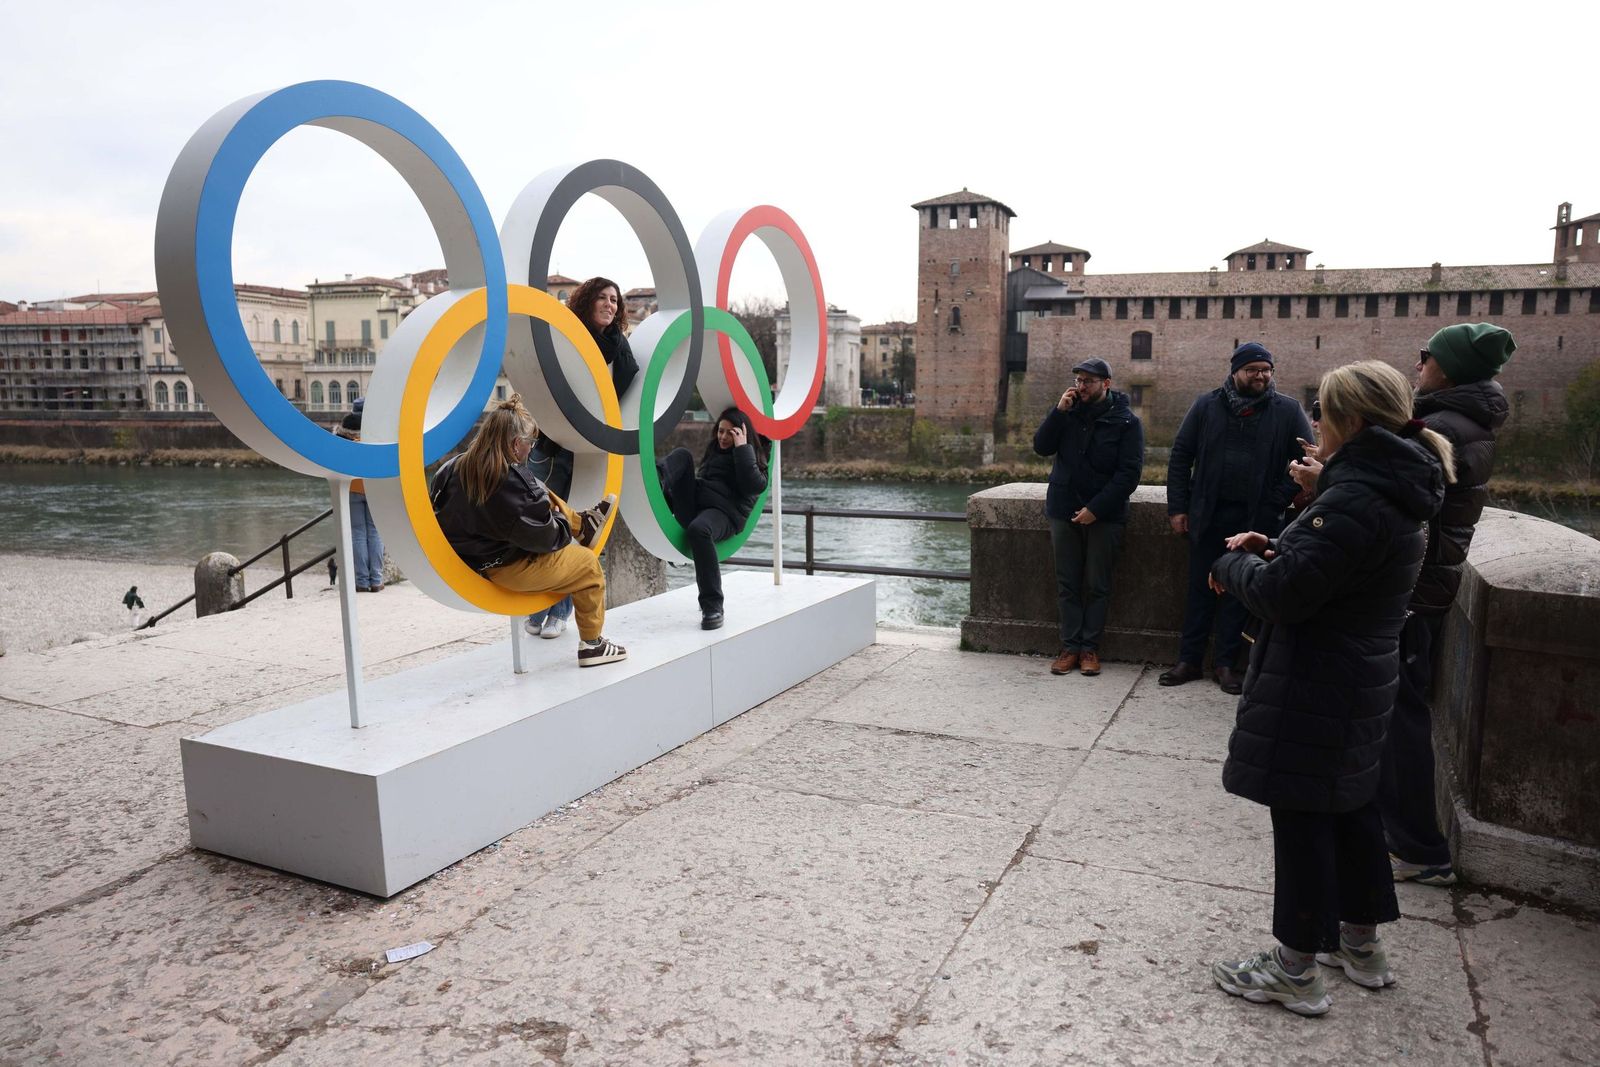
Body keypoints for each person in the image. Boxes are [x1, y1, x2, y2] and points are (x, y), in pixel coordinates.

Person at [1207, 360, 1453, 1017]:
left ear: (1349, 419)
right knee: (1350, 808)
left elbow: (1287, 595)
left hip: (1321, 679)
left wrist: (1233, 564)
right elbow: (1337, 568)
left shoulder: (1357, 494)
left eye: (1322, 412)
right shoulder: (1396, 483)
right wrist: (1283, 541)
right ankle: (1362, 947)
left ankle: (1294, 967)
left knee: (1303, 816)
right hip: (1361, 673)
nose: (1313, 422)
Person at [1288, 324, 1514, 888]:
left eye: (1428, 356)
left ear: (1451, 368)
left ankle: (1417, 845)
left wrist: (1327, 478)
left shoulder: (1438, 427)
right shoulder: (1462, 424)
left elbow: (1397, 504)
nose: (1419, 363)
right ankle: (1409, 839)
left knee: (1397, 722)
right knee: (1397, 717)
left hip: (1408, 592)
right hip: (1427, 585)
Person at [432, 395, 627, 668]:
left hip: (470, 558)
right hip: (504, 566)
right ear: (515, 444)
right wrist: (558, 520)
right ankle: (593, 645)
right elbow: (549, 539)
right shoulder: (512, 485)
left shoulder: (454, 466)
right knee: (588, 567)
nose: (530, 450)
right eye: (530, 444)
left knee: (538, 487)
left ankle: (583, 525)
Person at [1162, 342, 1312, 694]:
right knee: (1199, 589)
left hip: (1256, 520)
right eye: (1253, 369)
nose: (1261, 375)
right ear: (1235, 372)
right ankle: (1189, 660)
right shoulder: (1206, 406)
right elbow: (1181, 456)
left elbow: (1305, 462)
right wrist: (1178, 507)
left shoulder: (1288, 411)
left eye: (1266, 369)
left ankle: (1226, 665)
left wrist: (1276, 501)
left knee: (1239, 593)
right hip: (1207, 515)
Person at [525, 276, 639, 640]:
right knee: (536, 521)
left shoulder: (619, 347)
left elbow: (620, 393)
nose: (611, 305)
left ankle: (558, 608)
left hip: (588, 452)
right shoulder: (567, 335)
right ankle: (537, 603)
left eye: (615, 300)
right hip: (551, 443)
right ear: (587, 300)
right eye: (603, 298)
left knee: (574, 532)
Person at [1031, 358, 1145, 677]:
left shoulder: (1127, 422)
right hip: (1063, 506)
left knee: (1098, 583)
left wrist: (1097, 508)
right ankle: (1070, 647)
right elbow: (1041, 447)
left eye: (1088, 382)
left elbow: (1129, 474)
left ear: (1105, 384)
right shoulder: (1067, 414)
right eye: (1078, 381)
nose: (1081, 387)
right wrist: (1058, 412)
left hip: (1104, 514)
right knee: (1067, 582)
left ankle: (1090, 648)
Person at [656, 406, 767, 630]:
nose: (723, 437)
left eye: (730, 433)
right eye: (720, 431)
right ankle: (656, 479)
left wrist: (742, 449)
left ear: (742, 433)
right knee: (683, 456)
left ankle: (712, 606)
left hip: (725, 514)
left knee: (699, 529)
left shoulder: (754, 455)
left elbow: (755, 486)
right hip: (698, 504)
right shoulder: (715, 449)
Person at [335, 399, 387, 593]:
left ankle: (362, 581)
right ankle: (377, 580)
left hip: (351, 486)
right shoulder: (376, 430)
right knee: (375, 532)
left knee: (357, 534)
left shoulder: (344, 429)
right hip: (374, 487)